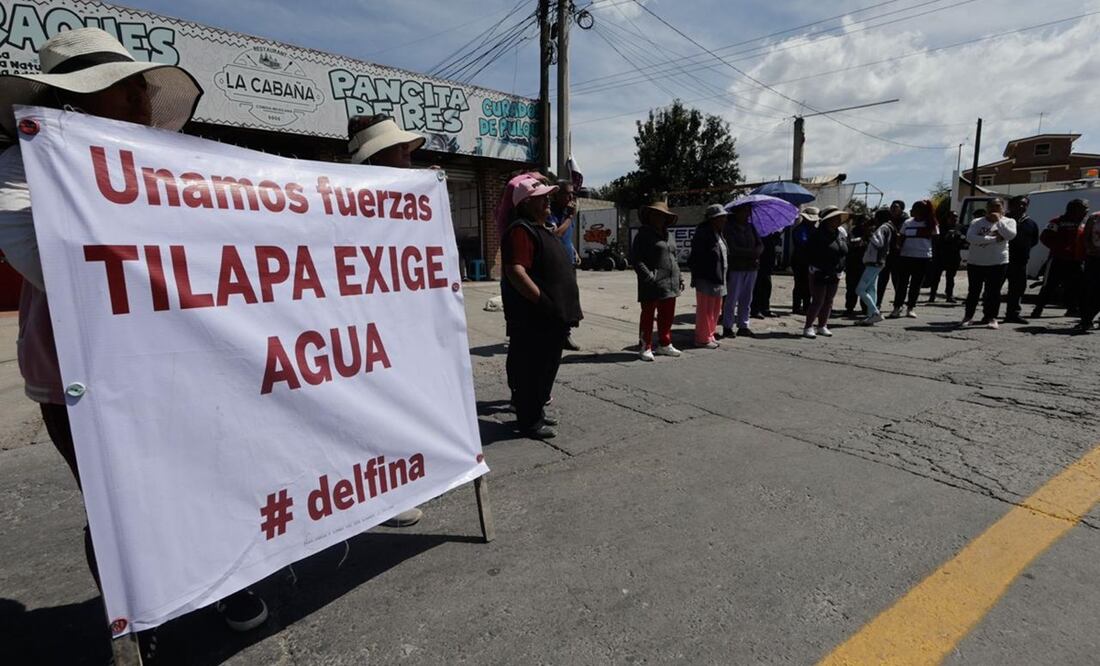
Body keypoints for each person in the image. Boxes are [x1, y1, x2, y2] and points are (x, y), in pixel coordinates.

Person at [0, 27, 267, 643]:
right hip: (81, 375)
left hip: (183, 358)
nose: (140, 102)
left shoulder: (171, 165)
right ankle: (136, 608)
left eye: (140, 89)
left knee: (210, 477)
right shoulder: (22, 166)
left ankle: (226, 581)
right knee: (118, 501)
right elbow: (52, 267)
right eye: (121, 92)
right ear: (73, 102)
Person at [349, 114, 448, 527]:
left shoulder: (406, 194)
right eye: (401, 151)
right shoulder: (349, 195)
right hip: (365, 319)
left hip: (399, 318)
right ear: (377, 155)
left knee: (401, 400)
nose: (410, 157)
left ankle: (396, 482)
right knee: (374, 405)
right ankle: (380, 495)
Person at [500, 177, 582, 437]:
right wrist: (542, 301)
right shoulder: (520, 230)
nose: (548, 200)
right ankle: (529, 421)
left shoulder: (542, 227)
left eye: (548, 196)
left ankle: (537, 413)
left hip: (554, 316)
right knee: (533, 370)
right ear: (526, 203)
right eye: (542, 197)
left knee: (546, 368)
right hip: (537, 317)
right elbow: (515, 271)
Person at [632, 199, 682, 361]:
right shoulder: (643, 235)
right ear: (649, 216)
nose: (659, 218)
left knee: (667, 315)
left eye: (662, 215)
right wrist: (648, 276)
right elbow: (636, 259)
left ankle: (664, 344)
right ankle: (645, 346)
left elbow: (674, 257)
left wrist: (679, 277)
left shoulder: (669, 235)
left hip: (670, 282)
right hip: (652, 283)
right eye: (656, 215)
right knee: (648, 315)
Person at [962, 197, 1017, 328]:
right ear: (987, 208)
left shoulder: (1009, 221)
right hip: (976, 262)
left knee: (994, 292)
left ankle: (991, 317)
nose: (994, 209)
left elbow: (1010, 236)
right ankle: (968, 316)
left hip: (998, 262)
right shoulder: (977, 222)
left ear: (1003, 209)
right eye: (991, 206)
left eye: (997, 206)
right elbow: (971, 238)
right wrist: (994, 239)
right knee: (973, 291)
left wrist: (998, 221)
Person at [1032, 199, 1089, 319]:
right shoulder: (1057, 221)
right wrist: (1060, 248)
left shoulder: (1084, 223)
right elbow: (1044, 237)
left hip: (1076, 260)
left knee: (1076, 286)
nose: (1086, 211)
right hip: (1058, 260)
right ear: (1073, 209)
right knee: (1049, 285)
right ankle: (1038, 309)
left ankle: (1072, 309)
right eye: (1084, 209)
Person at [803, 207, 849, 338]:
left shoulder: (840, 234)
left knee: (829, 300)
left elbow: (844, 251)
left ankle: (822, 325)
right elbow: (809, 254)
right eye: (835, 218)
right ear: (827, 220)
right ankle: (808, 326)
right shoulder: (817, 235)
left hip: (835, 271)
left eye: (839, 218)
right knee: (818, 300)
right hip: (820, 271)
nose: (838, 220)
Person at [889, 199, 938, 319]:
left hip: (923, 258)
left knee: (916, 284)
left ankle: (910, 308)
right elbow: (901, 238)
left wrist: (934, 259)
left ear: (922, 211)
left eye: (915, 209)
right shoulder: (908, 223)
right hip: (906, 256)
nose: (912, 211)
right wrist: (898, 247)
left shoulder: (931, 224)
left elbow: (935, 242)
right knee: (902, 284)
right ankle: (897, 307)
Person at [548, 179, 582, 351]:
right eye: (567, 193)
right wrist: (569, 217)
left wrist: (574, 251)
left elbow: (567, 237)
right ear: (556, 194)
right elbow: (556, 235)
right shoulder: (550, 212)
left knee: (570, 300)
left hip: (569, 262)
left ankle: (566, 334)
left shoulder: (567, 211)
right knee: (558, 300)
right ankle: (556, 335)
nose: (571, 197)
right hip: (556, 263)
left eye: (572, 193)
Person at [688, 204, 728, 348]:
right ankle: (701, 338)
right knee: (705, 309)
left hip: (719, 277)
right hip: (706, 277)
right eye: (721, 218)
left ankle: (710, 334)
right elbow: (696, 257)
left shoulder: (719, 233)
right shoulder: (703, 233)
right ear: (712, 219)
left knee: (715, 309)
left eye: (724, 217)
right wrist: (696, 276)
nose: (724, 220)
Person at [721, 203, 763, 338]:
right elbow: (732, 248)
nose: (748, 213)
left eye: (748, 211)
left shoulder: (751, 227)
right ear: (737, 212)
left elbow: (760, 244)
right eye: (745, 211)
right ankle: (727, 326)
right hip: (736, 267)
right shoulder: (729, 228)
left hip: (751, 268)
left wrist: (758, 251)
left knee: (747, 298)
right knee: (732, 299)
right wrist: (752, 253)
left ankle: (743, 325)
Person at [855, 209, 895, 326]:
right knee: (872, 289)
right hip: (879, 262)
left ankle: (875, 313)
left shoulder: (883, 228)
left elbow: (878, 243)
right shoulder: (889, 227)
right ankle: (870, 315)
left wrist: (870, 234)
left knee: (860, 290)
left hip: (874, 262)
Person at [1004, 195, 1039, 323]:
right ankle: (990, 314)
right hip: (1001, 260)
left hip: (1020, 261)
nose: (1021, 206)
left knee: (1017, 289)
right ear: (1011, 206)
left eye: (1024, 204)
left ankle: (1013, 314)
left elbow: (1034, 240)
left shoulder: (1031, 223)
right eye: (1018, 204)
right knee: (993, 289)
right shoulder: (1002, 221)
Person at [927, 210, 964, 304]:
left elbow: (963, 240)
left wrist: (959, 237)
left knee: (950, 277)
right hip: (940, 256)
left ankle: (949, 295)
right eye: (952, 217)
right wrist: (947, 235)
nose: (954, 219)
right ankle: (932, 295)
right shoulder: (940, 228)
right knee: (936, 277)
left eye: (956, 217)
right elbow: (936, 241)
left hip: (954, 255)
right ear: (947, 218)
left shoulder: (959, 227)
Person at [877, 200, 907, 307]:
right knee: (882, 281)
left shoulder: (905, 221)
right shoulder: (886, 219)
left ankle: (899, 304)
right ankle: (878, 303)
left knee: (897, 281)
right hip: (886, 255)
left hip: (898, 255)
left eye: (896, 207)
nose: (893, 209)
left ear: (901, 209)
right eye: (892, 207)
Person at [790, 207, 818, 315]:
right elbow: (803, 243)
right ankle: (797, 307)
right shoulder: (800, 229)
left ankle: (807, 306)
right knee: (800, 284)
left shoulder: (814, 230)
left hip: (810, 260)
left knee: (809, 285)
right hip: (800, 261)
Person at [843, 214, 870, 317]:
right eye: (862, 221)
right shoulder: (853, 232)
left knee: (865, 288)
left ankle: (865, 308)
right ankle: (849, 308)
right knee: (851, 288)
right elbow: (851, 243)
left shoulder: (871, 233)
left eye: (866, 222)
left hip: (866, 265)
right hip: (853, 264)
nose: (864, 224)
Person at [1077, 212, 1100, 334]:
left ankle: (1088, 318)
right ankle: (1086, 319)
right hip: (1094, 258)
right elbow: (1085, 238)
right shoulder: (1094, 217)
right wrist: (1092, 249)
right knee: (1091, 291)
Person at [751, 231, 781, 318]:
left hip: (768, 262)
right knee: (757, 286)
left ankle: (765, 308)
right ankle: (755, 309)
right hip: (760, 261)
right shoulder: (757, 231)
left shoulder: (771, 233)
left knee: (767, 285)